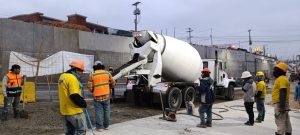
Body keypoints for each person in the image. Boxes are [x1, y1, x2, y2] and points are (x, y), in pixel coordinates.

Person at [58, 60, 87, 135]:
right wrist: (83, 103)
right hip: (74, 111)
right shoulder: (72, 78)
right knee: (81, 131)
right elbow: (74, 95)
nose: (82, 73)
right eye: (81, 71)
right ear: (76, 69)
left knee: (70, 131)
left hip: (65, 110)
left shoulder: (62, 76)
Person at [87, 61, 115, 132]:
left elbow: (89, 86)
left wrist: (92, 91)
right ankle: (107, 126)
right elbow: (112, 82)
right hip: (106, 95)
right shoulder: (107, 73)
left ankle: (99, 128)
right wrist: (110, 88)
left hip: (97, 96)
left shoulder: (92, 74)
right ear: (102, 66)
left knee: (98, 111)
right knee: (107, 110)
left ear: (94, 67)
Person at [272, 62, 292, 135]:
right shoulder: (282, 79)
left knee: (280, 120)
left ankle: (280, 133)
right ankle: (288, 132)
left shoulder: (282, 79)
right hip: (282, 103)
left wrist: (282, 106)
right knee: (286, 120)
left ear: (280, 71)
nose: (274, 71)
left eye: (275, 70)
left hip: (280, 103)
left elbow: (283, 92)